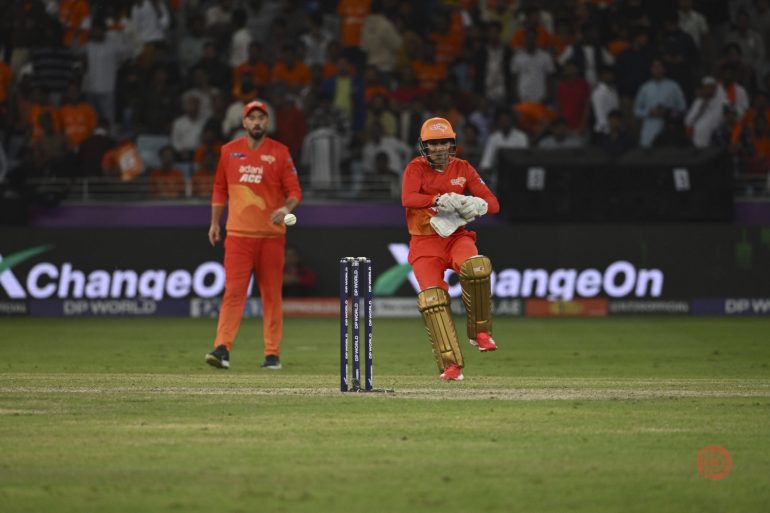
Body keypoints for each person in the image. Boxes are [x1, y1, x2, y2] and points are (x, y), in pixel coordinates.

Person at [400, 117, 500, 382]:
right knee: (432, 301)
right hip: (424, 242)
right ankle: (451, 366)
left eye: (444, 142)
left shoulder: (463, 168)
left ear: (452, 143)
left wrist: (478, 205)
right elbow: (407, 198)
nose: (440, 148)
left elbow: (493, 203)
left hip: (457, 237)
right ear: (424, 146)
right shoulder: (415, 168)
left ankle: (480, 332)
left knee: (477, 268)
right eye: (433, 144)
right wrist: (437, 199)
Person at [206, 100, 302, 370]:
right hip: (238, 235)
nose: (257, 122)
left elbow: (295, 191)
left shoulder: (280, 152)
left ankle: (272, 354)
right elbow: (218, 189)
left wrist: (285, 208)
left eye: (261, 117)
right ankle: (222, 349)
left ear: (267, 122)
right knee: (234, 293)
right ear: (244, 122)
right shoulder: (228, 151)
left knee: (271, 295)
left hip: (271, 236)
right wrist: (215, 223)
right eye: (252, 118)